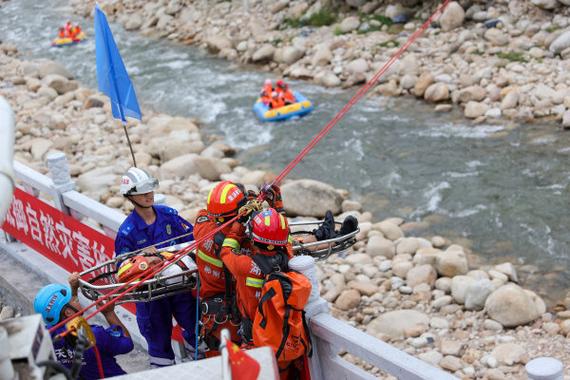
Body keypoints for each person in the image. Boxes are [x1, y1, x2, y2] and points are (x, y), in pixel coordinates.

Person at [114, 167, 199, 367]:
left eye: (150, 190)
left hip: (180, 287)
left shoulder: (168, 215)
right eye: (142, 192)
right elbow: (122, 270)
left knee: (196, 330)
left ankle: (199, 363)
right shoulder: (127, 232)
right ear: (130, 196)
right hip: (151, 297)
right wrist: (143, 259)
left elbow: (192, 239)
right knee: (159, 344)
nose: (148, 195)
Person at [34, 273, 133, 379]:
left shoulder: (47, 337)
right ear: (68, 312)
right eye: (75, 300)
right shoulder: (95, 335)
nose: (77, 300)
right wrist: (109, 313)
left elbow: (66, 311)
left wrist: (73, 290)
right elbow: (127, 344)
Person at [193, 181, 251, 356]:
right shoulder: (243, 245)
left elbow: (207, 212)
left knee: (217, 364)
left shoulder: (201, 227)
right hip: (233, 317)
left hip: (212, 319)